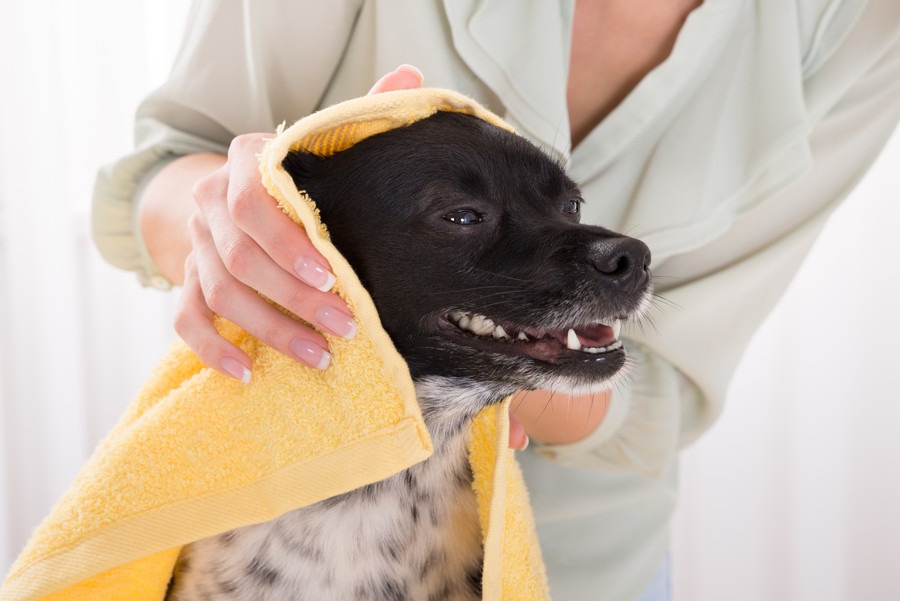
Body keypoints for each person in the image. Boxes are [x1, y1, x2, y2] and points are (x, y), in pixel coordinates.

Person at [91, 1, 900, 599]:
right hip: (262, 535)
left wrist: (503, 360)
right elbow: (165, 167)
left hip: (575, 565)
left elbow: (659, 400)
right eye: (466, 215)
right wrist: (233, 232)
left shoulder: (861, 26)